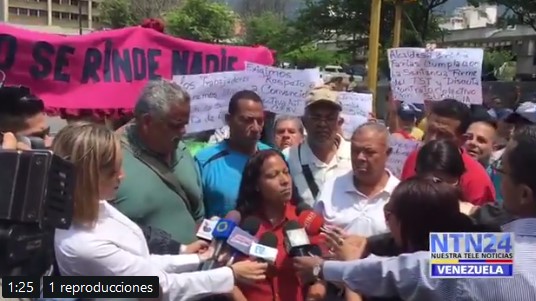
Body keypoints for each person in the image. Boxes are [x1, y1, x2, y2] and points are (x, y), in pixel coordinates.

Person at [292, 125, 536, 301]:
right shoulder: (498, 248)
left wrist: (322, 268)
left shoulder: (500, 255)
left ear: (524, 194)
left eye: (502, 170)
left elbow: (404, 271)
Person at [52, 122, 268, 301]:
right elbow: (156, 286)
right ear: (87, 177)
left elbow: (142, 262)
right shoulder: (84, 244)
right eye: (112, 171)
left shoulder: (98, 205)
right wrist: (229, 275)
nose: (122, 176)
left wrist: (199, 259)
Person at [113, 79, 204, 244]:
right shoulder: (111, 159)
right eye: (175, 125)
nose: (183, 132)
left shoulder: (182, 150)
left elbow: (198, 212)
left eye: (185, 124)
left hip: (198, 264)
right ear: (147, 121)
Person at [233, 149, 326, 301]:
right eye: (273, 175)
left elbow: (319, 275)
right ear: (256, 185)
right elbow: (228, 277)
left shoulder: (303, 221)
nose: (284, 180)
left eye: (286, 172)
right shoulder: (244, 226)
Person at [400, 99, 495, 205]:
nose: (433, 139)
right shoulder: (413, 158)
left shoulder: (477, 179)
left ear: (462, 139)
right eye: (431, 130)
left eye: (443, 134)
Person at [196, 90, 272, 217]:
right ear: (228, 119)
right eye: (247, 120)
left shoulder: (275, 158)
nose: (255, 128)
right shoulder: (204, 162)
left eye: (260, 121)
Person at [315, 123, 399, 237]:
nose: (360, 158)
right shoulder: (330, 188)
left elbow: (428, 249)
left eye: (369, 152)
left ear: (387, 153)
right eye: (355, 151)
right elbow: (314, 235)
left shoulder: (401, 195)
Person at [284, 87, 352, 206]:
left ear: (339, 123)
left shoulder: (354, 154)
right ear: (304, 122)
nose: (322, 124)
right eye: (316, 118)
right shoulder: (287, 157)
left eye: (329, 118)